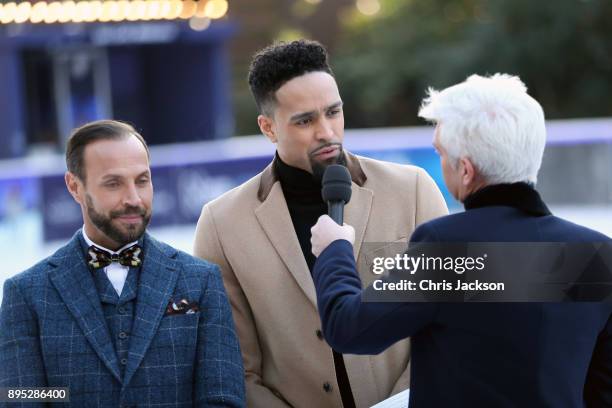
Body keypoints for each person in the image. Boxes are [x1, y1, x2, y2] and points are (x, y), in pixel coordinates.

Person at [310, 74, 612, 407]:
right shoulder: (597, 254)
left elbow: (349, 329)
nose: (441, 163)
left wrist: (334, 250)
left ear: (466, 170)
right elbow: (603, 388)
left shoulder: (446, 246)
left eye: (441, 152)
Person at [193, 40, 447, 408]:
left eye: (333, 112)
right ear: (268, 127)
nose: (327, 131)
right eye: (305, 120)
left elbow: (446, 319)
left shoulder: (413, 191)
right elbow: (236, 367)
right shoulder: (221, 224)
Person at [0, 120, 245, 407]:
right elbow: (21, 398)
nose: (133, 198)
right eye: (113, 183)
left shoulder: (201, 281)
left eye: (142, 180)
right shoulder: (26, 293)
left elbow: (222, 399)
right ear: (74, 186)